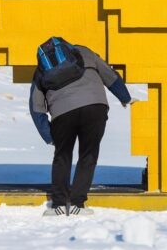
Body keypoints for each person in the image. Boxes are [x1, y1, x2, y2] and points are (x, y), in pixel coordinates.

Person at [29, 38, 132, 216]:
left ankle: (59, 205)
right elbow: (110, 75)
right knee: (88, 154)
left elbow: (35, 106)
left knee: (62, 156)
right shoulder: (85, 52)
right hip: (95, 106)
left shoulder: (43, 68)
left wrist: (48, 135)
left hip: (62, 114)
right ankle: (78, 204)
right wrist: (125, 97)